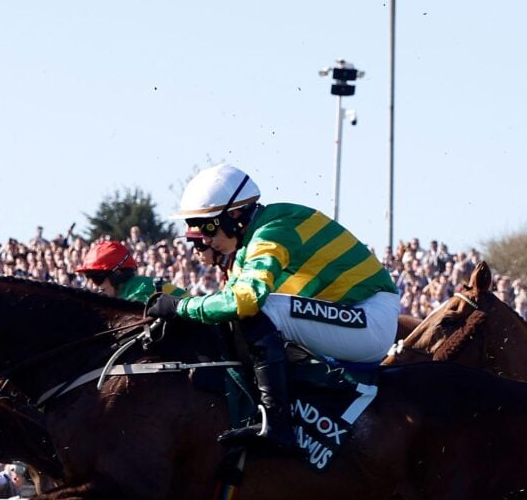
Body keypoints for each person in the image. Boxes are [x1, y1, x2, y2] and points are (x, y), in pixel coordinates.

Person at [142, 166, 399, 444]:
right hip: (353, 318)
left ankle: (277, 424)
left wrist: (181, 307)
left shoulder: (272, 231)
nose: (202, 238)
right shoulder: (250, 242)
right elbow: (226, 306)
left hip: (370, 319)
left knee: (261, 309)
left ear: (235, 215)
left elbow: (244, 300)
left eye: (206, 226)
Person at [73, 237, 173, 304]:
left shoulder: (142, 291)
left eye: (97, 279)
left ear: (117, 275)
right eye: (89, 277)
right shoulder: (121, 294)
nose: (94, 286)